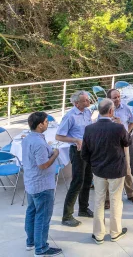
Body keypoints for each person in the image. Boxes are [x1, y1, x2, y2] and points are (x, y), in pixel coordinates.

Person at [81, 98, 130, 244]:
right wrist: (122, 125)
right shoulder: (118, 128)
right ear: (111, 111)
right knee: (116, 201)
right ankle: (115, 232)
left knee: (98, 201)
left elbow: (84, 153)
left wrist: (94, 164)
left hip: (98, 171)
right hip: (116, 170)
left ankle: (98, 234)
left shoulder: (89, 129)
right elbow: (128, 142)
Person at [23, 112, 63, 256]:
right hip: (42, 185)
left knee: (32, 212)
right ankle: (41, 248)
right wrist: (55, 154)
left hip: (31, 182)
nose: (47, 123)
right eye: (46, 121)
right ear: (40, 125)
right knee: (43, 217)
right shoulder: (39, 143)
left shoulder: (28, 138)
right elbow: (43, 165)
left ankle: (31, 242)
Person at [56, 90, 93, 227]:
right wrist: (75, 140)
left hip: (89, 149)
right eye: (85, 100)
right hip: (77, 151)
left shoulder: (88, 112)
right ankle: (67, 216)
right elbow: (59, 136)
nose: (88, 102)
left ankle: (83, 208)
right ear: (77, 103)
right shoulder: (70, 116)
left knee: (88, 179)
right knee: (77, 181)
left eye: (88, 99)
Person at [108, 89, 133, 205]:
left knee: (127, 168)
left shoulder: (126, 108)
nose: (117, 99)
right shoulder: (105, 110)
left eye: (118, 97)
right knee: (109, 170)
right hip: (110, 144)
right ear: (109, 99)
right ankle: (108, 199)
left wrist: (127, 132)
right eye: (114, 98)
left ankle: (131, 194)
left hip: (123, 143)